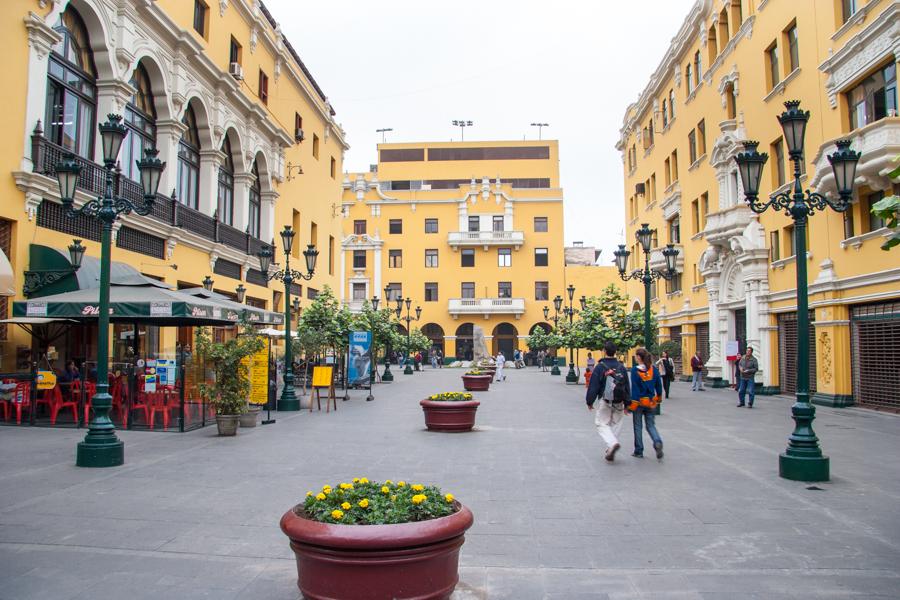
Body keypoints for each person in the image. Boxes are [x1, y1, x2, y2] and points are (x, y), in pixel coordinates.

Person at [585, 341, 630, 462]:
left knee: (601, 423)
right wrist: (628, 403)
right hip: (619, 400)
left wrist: (589, 401)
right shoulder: (621, 367)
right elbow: (626, 385)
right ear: (615, 352)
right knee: (616, 423)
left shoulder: (600, 367)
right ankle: (611, 445)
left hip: (606, 400)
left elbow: (594, 385)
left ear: (604, 351)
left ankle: (612, 443)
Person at [630, 348, 664, 459]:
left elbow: (634, 389)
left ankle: (639, 450)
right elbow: (659, 386)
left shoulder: (635, 371)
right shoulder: (653, 370)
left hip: (639, 402)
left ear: (639, 357)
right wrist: (658, 398)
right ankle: (657, 441)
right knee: (650, 426)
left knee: (638, 426)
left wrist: (632, 405)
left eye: (636, 356)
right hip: (650, 401)